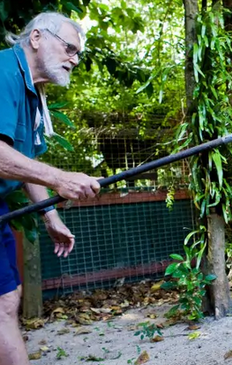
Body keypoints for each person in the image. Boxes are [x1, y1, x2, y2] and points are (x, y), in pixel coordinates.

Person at [0, 12, 101, 365]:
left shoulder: (34, 94)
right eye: (69, 48)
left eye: (78, 53)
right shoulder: (3, 73)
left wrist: (50, 216)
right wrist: (60, 178)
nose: (74, 59)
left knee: (7, 301)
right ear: (38, 37)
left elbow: (24, 166)